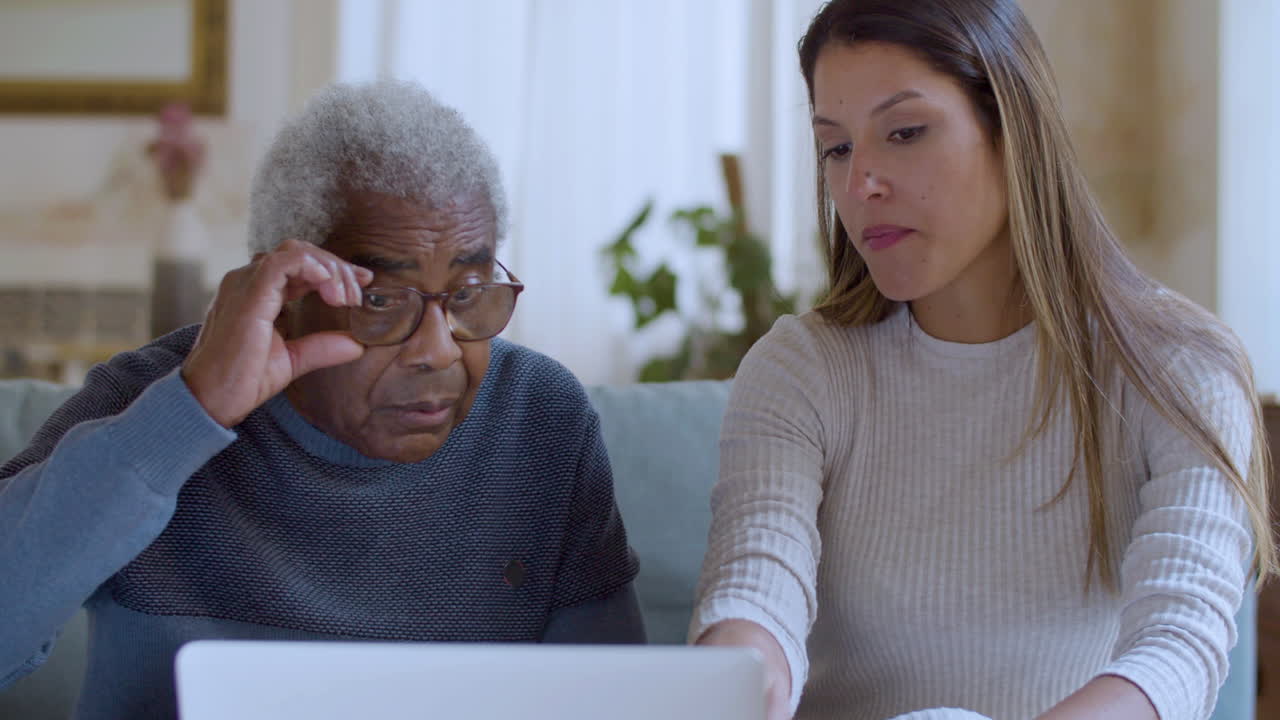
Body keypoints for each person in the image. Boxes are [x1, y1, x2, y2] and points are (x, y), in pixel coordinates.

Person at [690, 2, 1274, 720]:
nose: (860, 184)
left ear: (1011, 133)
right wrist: (737, 680)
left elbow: (1178, 646)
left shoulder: (1180, 365)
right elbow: (758, 585)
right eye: (835, 148)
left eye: (904, 132)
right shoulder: (803, 368)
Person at [0, 80, 643, 719]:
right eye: (383, 301)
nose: (440, 350)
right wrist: (190, 414)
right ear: (281, 296)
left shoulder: (542, 422)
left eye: (470, 293)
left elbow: (619, 700)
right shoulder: (147, 404)